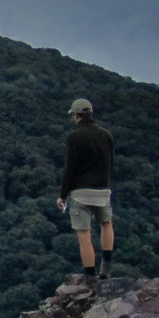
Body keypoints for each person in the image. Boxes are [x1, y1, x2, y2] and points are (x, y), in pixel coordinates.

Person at [55, 98, 115, 280]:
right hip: (102, 190)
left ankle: (89, 277)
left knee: (84, 235)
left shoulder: (74, 137)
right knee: (106, 224)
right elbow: (110, 163)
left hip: (80, 193)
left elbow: (70, 168)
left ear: (76, 115)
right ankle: (106, 267)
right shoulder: (107, 135)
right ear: (91, 113)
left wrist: (62, 195)